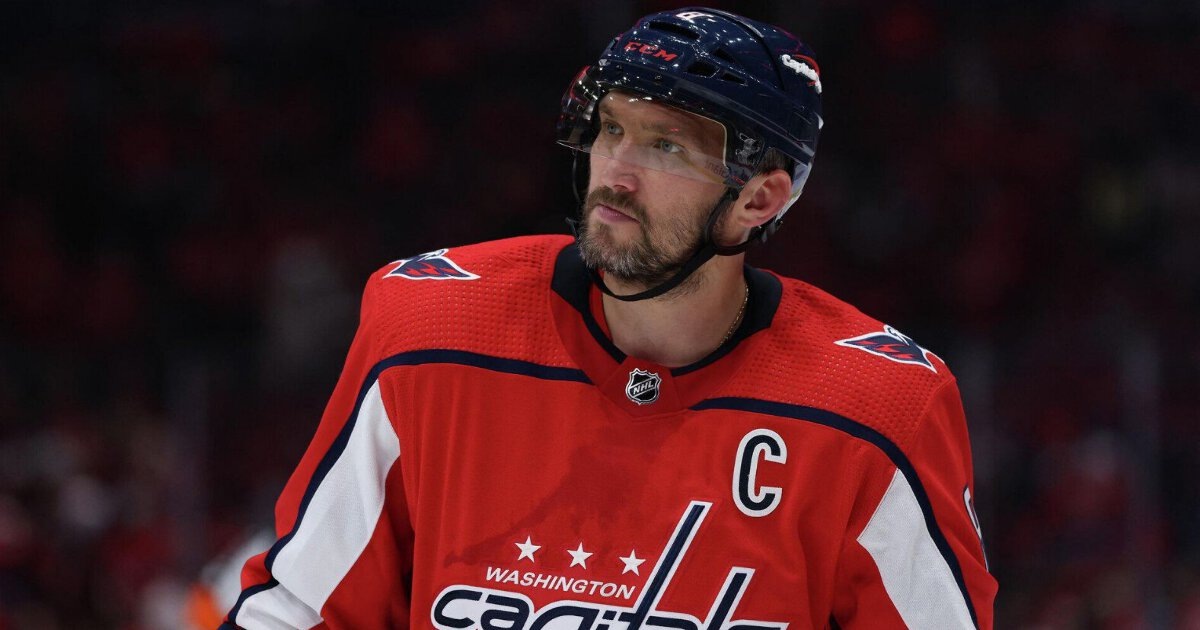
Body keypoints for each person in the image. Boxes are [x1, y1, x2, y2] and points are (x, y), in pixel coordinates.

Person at [222, 7, 997, 629]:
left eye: (667, 147)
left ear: (759, 198)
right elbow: (300, 612)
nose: (616, 172)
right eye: (613, 129)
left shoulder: (876, 409)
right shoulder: (430, 330)